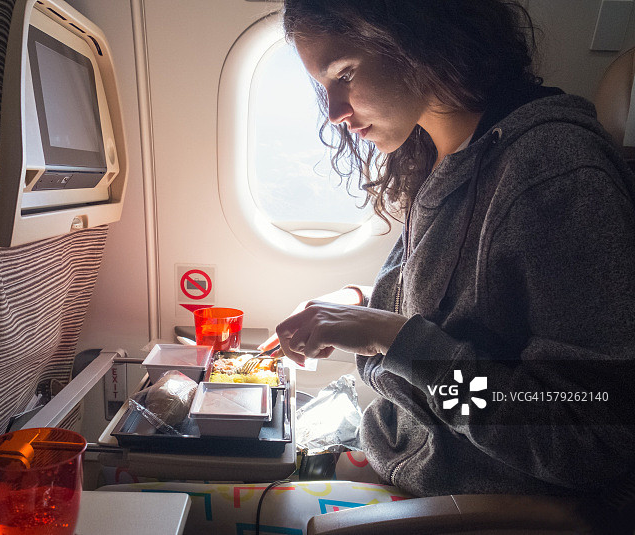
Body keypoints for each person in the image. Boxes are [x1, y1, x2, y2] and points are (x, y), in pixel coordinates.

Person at [262, 0, 635, 501]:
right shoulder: (446, 157)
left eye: (345, 74)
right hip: (409, 455)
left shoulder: (552, 178)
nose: (334, 113)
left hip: (471, 503)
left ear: (417, 36)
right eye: (324, 87)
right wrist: (360, 306)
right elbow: (466, 311)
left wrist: (392, 338)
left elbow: (588, 432)